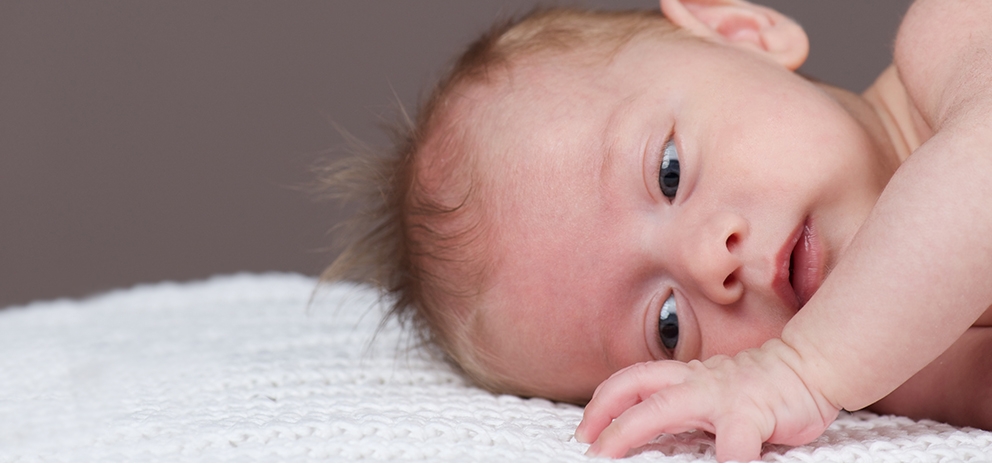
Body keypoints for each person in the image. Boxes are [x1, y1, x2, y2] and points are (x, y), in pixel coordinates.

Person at [320, 0, 992, 460]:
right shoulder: (891, 368)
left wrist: (805, 369)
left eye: (669, 172)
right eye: (668, 326)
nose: (709, 261)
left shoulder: (948, 35)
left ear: (740, 31)